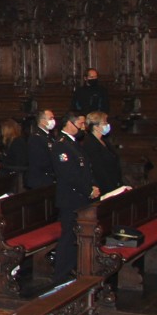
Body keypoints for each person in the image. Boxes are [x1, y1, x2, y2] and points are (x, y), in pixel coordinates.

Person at [52, 112, 98, 283]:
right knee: (68, 236)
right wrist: (88, 190)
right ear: (69, 124)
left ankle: (72, 268)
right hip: (70, 197)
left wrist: (92, 186)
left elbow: (85, 169)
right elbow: (69, 174)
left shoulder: (73, 144)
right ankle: (61, 275)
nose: (83, 127)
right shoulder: (61, 145)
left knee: (75, 235)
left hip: (80, 196)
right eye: (80, 123)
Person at [83, 111, 123, 193]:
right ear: (95, 126)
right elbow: (97, 168)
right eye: (104, 123)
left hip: (113, 181)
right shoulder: (90, 143)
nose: (107, 125)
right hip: (103, 185)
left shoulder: (104, 141)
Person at [26, 109, 57, 189]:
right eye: (50, 118)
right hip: (40, 180)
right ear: (42, 121)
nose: (53, 121)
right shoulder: (36, 137)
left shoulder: (48, 136)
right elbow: (39, 160)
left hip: (48, 178)